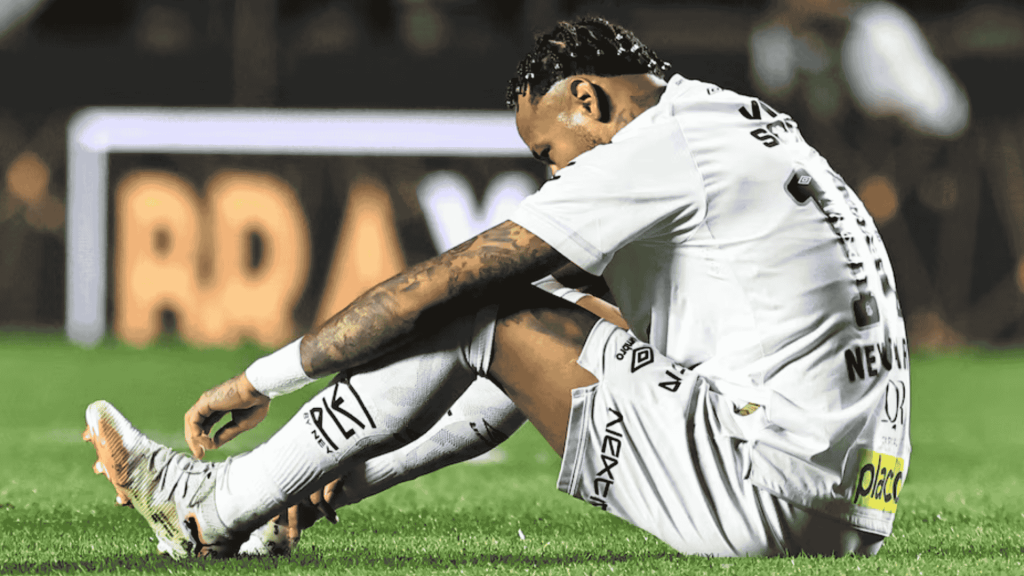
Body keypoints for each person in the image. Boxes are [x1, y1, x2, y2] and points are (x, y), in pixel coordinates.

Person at [83, 16, 910, 559]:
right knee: (542, 323)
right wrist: (325, 465)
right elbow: (527, 352)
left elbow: (436, 293)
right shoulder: (735, 123)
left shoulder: (654, 150)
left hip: (766, 489)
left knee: (482, 305)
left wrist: (261, 378)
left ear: (587, 99)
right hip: (851, 507)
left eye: (549, 154)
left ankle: (212, 508)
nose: (553, 177)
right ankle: (274, 499)